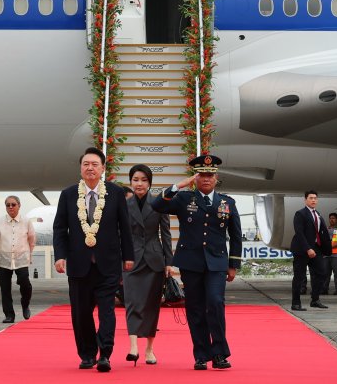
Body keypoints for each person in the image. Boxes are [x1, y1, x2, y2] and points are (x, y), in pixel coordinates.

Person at [152, 154, 242, 371]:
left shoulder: (227, 203)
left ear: (216, 177)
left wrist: (233, 265)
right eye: (202, 175)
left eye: (210, 175)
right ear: (196, 177)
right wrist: (179, 185)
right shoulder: (184, 199)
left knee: (215, 303)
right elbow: (157, 205)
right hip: (191, 262)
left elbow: (236, 235)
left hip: (217, 263)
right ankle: (201, 354)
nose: (206, 179)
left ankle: (219, 353)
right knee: (195, 309)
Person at [53, 147, 134, 372]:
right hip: (78, 265)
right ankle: (87, 353)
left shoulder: (116, 193)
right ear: (81, 168)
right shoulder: (68, 194)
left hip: (108, 264)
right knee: (81, 313)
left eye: (94, 164)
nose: (90, 168)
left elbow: (124, 228)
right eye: (86, 164)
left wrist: (128, 256)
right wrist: (60, 256)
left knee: (107, 310)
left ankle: (105, 353)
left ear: (102, 168)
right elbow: (60, 229)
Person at [122, 164, 172, 366]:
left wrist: (169, 262)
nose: (139, 183)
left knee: (152, 306)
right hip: (131, 259)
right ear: (131, 182)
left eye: (143, 180)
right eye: (135, 180)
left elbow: (166, 234)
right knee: (132, 302)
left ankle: (149, 350)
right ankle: (133, 346)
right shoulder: (124, 204)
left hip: (154, 259)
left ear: (150, 183)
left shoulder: (160, 203)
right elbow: (120, 236)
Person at [0, 194, 36, 323]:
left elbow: (31, 239)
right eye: (8, 205)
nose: (11, 207)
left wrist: (29, 255)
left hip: (21, 259)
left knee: (25, 283)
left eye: (13, 204)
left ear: (19, 206)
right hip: (4, 259)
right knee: (5, 288)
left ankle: (25, 304)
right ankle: (9, 315)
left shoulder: (26, 221)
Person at [290, 190, 332, 311]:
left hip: (316, 249)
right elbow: (299, 233)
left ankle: (315, 299)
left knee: (322, 272)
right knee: (299, 276)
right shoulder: (300, 214)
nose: (313, 200)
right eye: (311, 198)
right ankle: (296, 303)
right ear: (305, 200)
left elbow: (322, 232)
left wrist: (325, 248)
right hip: (302, 250)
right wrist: (307, 248)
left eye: (315, 198)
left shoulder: (317, 214)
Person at [322, 212, 337, 295]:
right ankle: (324, 289)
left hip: (336, 255)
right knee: (325, 273)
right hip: (326, 255)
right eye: (330, 218)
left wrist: (329, 247)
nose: (332, 220)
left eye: (333, 218)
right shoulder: (325, 229)